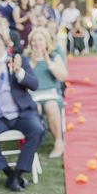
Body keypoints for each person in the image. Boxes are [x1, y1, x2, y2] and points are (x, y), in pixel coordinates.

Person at [0, 31, 44, 192]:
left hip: (21, 114)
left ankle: (17, 173)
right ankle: (9, 173)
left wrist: (19, 72)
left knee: (37, 130)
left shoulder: (19, 60)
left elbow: (34, 84)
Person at [25, 28, 67, 158]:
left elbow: (63, 77)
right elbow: (22, 81)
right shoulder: (26, 57)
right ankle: (34, 140)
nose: (37, 43)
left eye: (40, 40)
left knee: (51, 106)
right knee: (34, 107)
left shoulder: (54, 56)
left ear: (46, 42)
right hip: (33, 95)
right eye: (34, 40)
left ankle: (59, 142)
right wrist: (32, 63)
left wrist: (49, 62)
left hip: (51, 94)